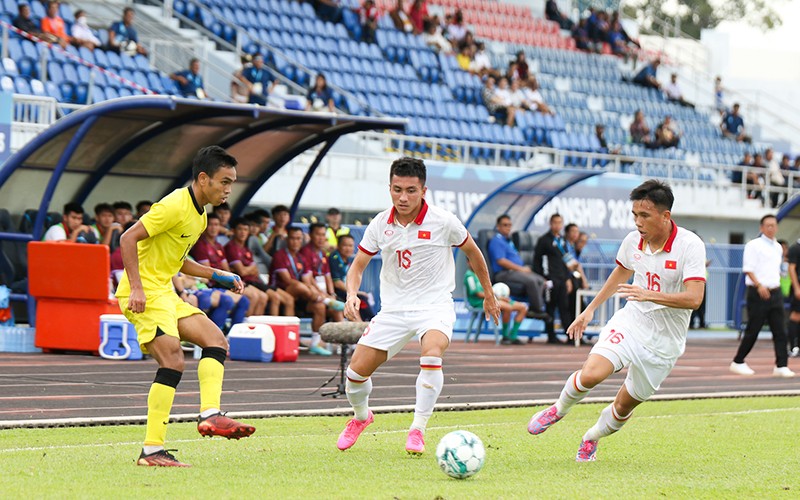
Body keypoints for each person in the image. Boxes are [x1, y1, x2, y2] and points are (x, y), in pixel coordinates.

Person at [527, 180, 707, 462]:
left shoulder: (690, 246)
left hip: (665, 343)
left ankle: (590, 437)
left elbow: (695, 298)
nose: (637, 222)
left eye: (644, 215)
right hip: (632, 322)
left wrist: (648, 294)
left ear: (665, 216)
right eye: (635, 214)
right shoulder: (632, 241)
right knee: (592, 374)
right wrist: (590, 311)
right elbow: (620, 274)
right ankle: (558, 409)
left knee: (623, 407)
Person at [335, 157, 501, 454]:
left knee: (432, 352)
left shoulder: (444, 221)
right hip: (394, 311)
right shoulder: (379, 224)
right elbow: (358, 265)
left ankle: (418, 429)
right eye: (397, 189)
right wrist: (351, 293)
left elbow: (474, 254)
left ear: (424, 190)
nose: (403, 197)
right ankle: (361, 418)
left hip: (434, 306)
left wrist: (488, 293)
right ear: (389, 188)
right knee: (355, 375)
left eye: (411, 190)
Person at [116, 146, 255, 468]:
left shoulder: (200, 214)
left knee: (216, 340)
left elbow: (179, 261)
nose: (228, 189)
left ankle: (210, 415)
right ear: (203, 178)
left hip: (165, 292)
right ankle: (151, 451)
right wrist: (136, 287)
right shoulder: (173, 205)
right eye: (224, 181)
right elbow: (127, 238)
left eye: (232, 182)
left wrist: (216, 275)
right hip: (145, 294)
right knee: (173, 361)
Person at [730, 215, 795, 377]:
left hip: (775, 291)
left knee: (780, 330)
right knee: (753, 329)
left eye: (773, 225)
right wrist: (759, 285)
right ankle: (738, 361)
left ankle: (781, 365)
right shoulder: (754, 245)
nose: (771, 228)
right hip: (758, 291)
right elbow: (748, 269)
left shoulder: (778, 247)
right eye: (768, 225)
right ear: (761, 228)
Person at [270, 226, 337, 356]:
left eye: (298, 239)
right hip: (282, 291)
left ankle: (314, 344)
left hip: (303, 296)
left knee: (320, 307)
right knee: (299, 286)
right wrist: (315, 292)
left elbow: (308, 279)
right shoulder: (280, 255)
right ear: (287, 239)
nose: (295, 242)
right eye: (293, 238)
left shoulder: (301, 257)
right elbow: (288, 281)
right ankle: (323, 299)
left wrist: (318, 292)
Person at [191, 213, 266, 318]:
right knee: (252, 296)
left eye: (216, 225)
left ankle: (252, 327)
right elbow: (207, 272)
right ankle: (244, 328)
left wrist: (233, 279)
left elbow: (226, 269)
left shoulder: (218, 246)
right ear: (204, 226)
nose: (213, 228)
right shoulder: (201, 246)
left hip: (224, 280)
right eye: (211, 224)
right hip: (214, 282)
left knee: (262, 296)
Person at [226, 217, 293, 317]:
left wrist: (248, 269)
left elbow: (255, 270)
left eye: (245, 230)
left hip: (255, 281)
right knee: (270, 297)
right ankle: (249, 326)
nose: (243, 233)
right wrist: (249, 269)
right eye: (240, 229)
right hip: (245, 282)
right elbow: (242, 272)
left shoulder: (246, 249)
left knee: (289, 299)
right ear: (233, 231)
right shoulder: (231, 247)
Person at [488, 214, 550, 321]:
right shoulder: (496, 241)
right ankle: (537, 310)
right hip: (504, 274)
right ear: (498, 226)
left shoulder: (508, 240)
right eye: (505, 225)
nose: (508, 227)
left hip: (515, 272)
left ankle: (534, 307)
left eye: (509, 225)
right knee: (531, 280)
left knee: (540, 279)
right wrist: (521, 269)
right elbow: (501, 261)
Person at [534, 214, 575, 344]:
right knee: (550, 307)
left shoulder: (562, 240)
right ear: (550, 224)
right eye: (555, 223)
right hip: (550, 280)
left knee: (564, 307)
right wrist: (542, 278)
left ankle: (570, 337)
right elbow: (537, 260)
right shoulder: (544, 240)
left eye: (560, 222)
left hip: (562, 279)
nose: (557, 225)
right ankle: (551, 336)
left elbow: (566, 260)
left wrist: (568, 278)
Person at [464, 259, 528, 345]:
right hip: (479, 302)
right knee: (508, 307)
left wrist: (500, 297)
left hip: (492, 298)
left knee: (522, 308)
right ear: (468, 263)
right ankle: (505, 336)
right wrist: (497, 297)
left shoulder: (481, 274)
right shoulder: (469, 276)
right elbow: (478, 294)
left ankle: (513, 336)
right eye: (472, 261)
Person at [300, 222, 346, 324]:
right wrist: (322, 294)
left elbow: (327, 275)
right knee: (320, 307)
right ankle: (317, 339)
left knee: (337, 309)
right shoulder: (305, 252)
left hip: (325, 294)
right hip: (310, 294)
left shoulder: (323, 253)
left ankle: (341, 339)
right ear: (311, 235)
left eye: (323, 234)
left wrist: (332, 294)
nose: (321, 238)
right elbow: (309, 278)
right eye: (318, 234)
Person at [329, 233, 374, 321]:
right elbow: (337, 283)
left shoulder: (348, 260)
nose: (348, 248)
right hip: (338, 293)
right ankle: (361, 325)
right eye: (345, 245)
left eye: (351, 246)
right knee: (360, 299)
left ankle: (368, 322)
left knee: (363, 299)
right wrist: (356, 292)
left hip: (346, 291)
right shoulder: (334, 258)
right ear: (338, 246)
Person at [787, 237, 800, 357]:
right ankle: (793, 347)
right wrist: (797, 288)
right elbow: (791, 269)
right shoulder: (795, 248)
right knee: (795, 316)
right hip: (799, 287)